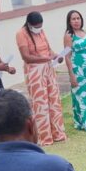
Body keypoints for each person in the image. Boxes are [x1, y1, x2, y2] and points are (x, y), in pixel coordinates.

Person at [15, 11, 67, 145]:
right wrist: (43, 58)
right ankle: (44, 137)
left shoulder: (41, 32)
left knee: (54, 101)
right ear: (29, 24)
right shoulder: (21, 34)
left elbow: (48, 50)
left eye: (40, 26)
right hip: (34, 71)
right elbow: (26, 57)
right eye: (36, 26)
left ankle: (58, 133)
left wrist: (56, 56)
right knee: (41, 104)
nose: (38, 28)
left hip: (48, 69)